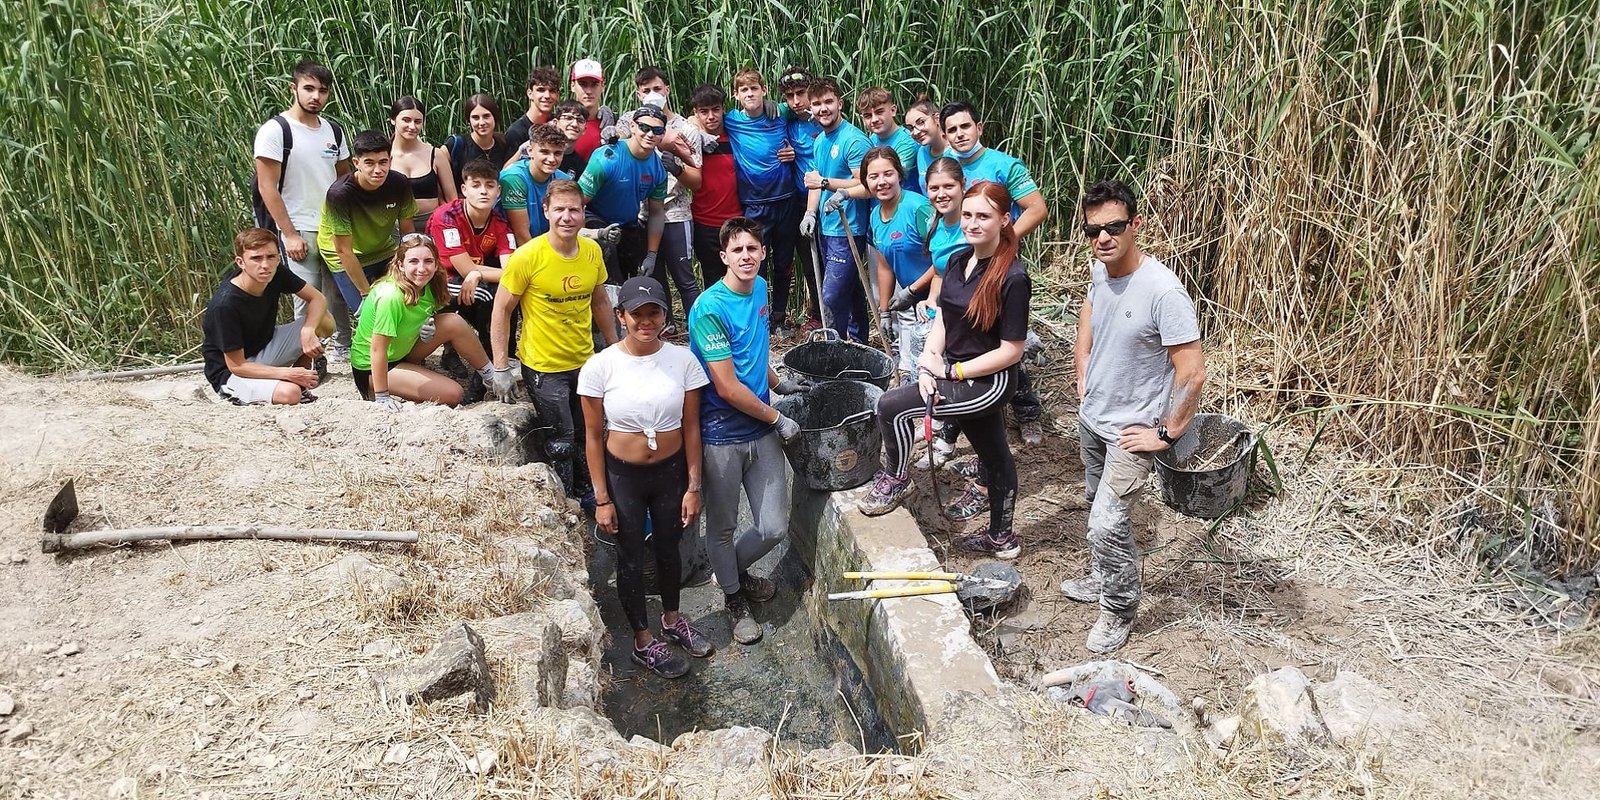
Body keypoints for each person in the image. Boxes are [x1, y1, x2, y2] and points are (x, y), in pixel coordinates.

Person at [1060, 180, 1205, 654]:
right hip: (1093, 418)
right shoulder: (1100, 271)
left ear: (1135, 225)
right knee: (1092, 501)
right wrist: (1082, 365)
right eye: (1093, 230)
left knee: (1107, 522)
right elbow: (1091, 311)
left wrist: (1166, 433)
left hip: (1131, 432)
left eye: (1114, 228)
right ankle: (1104, 576)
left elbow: (1192, 373)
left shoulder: (1163, 291)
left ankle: (1118, 608)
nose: (1103, 238)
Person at [859, 182, 1031, 567]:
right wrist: (927, 361)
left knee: (891, 407)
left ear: (1005, 220)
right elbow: (944, 318)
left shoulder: (1013, 277)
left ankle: (897, 480)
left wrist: (950, 371)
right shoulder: (957, 261)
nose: (972, 223)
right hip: (950, 368)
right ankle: (1002, 538)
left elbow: (1011, 350)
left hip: (989, 381)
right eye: (968, 214)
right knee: (993, 452)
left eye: (983, 216)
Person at [579, 276, 714, 678]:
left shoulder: (682, 361)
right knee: (631, 556)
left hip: (670, 473)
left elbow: (692, 428)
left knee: (671, 548)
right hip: (625, 477)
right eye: (636, 313)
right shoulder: (601, 367)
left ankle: (672, 619)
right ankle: (642, 639)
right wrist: (602, 498)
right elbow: (591, 436)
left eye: (654, 312)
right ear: (621, 317)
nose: (645, 321)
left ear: (664, 316)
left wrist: (694, 486)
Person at [687, 217, 808, 646]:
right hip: (722, 435)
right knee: (720, 527)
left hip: (760, 428)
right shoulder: (709, 309)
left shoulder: (758, 289)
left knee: (773, 526)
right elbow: (726, 385)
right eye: (737, 250)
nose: (746, 257)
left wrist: (779, 383)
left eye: (753, 249)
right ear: (723, 257)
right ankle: (735, 599)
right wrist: (777, 418)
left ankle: (729, 573)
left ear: (762, 253)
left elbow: (755, 348)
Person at [488, 180, 618, 496]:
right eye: (559, 209)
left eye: (574, 209)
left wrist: (616, 347)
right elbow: (501, 310)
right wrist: (502, 368)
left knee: (590, 432)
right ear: (546, 211)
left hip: (584, 361)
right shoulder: (527, 257)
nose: (567, 217)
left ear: (583, 213)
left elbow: (600, 300)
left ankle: (591, 490)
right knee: (561, 439)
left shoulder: (591, 251)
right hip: (544, 367)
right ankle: (567, 498)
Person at [940, 100, 1049, 444]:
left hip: (998, 266)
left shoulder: (1004, 165)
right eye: (952, 130)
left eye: (965, 126)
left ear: (979, 127)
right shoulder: (945, 167)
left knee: (1004, 343)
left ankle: (1027, 412)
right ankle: (953, 423)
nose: (959, 134)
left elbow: (1037, 208)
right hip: (961, 265)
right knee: (960, 341)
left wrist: (1004, 240)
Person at [251, 60, 351, 360]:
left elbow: (343, 179)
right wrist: (290, 234)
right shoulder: (276, 130)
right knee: (308, 297)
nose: (315, 96)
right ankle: (310, 358)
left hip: (333, 227)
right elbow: (267, 187)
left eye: (322, 91)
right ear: (293, 89)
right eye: (308, 89)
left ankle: (344, 348)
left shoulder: (334, 130)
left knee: (338, 294)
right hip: (299, 227)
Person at [351, 233, 499, 408]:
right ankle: (381, 388)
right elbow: (377, 350)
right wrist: (382, 395)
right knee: (454, 394)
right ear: (400, 265)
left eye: (428, 261)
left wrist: (426, 326)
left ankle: (492, 377)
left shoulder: (429, 285)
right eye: (413, 261)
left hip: (403, 350)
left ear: (436, 264)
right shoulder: (391, 296)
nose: (421, 268)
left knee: (453, 321)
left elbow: (426, 314)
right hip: (374, 366)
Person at [614, 68, 710, 320]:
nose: (652, 95)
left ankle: (697, 327)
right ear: (638, 94)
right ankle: (665, 327)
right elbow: (615, 145)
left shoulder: (685, 128)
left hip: (676, 212)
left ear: (667, 89)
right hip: (641, 214)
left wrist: (676, 166)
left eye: (657, 89)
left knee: (684, 277)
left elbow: (697, 180)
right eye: (646, 91)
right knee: (651, 275)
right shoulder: (628, 121)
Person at [202, 228, 327, 405]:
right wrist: (287, 374)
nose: (265, 265)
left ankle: (299, 377)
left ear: (278, 258)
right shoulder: (225, 305)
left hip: (264, 347)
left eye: (271, 257)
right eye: (256, 258)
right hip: (232, 371)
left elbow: (318, 298)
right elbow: (236, 366)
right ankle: (292, 381)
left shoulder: (275, 272)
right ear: (240, 262)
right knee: (291, 394)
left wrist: (308, 331)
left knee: (324, 320)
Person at [427, 158, 516, 397]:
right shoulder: (445, 217)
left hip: (472, 280)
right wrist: (475, 272)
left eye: (489, 185)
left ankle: (498, 364)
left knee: (507, 292)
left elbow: (512, 270)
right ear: (464, 190)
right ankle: (488, 372)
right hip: (434, 282)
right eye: (476, 185)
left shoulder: (500, 223)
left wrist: (477, 273)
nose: (484, 191)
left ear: (498, 191)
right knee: (489, 294)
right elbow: (464, 268)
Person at [721, 69, 797, 332]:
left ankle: (778, 318)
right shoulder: (731, 120)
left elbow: (803, 107)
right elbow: (695, 119)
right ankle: (758, 318)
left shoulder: (780, 114)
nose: (750, 94)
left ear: (764, 91)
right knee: (755, 262)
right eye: (744, 90)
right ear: (736, 95)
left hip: (786, 199)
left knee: (784, 263)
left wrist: (794, 152)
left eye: (754, 89)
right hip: (755, 204)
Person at [799, 77, 872, 343]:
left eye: (828, 102)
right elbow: (815, 182)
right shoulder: (819, 141)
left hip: (849, 228)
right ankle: (859, 343)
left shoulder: (853, 140)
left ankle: (836, 346)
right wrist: (810, 213)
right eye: (816, 104)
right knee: (850, 290)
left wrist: (829, 184)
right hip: (826, 228)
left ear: (839, 103)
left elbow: (866, 184)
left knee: (831, 295)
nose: (823, 109)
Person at [855, 147, 934, 383]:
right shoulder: (875, 216)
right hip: (914, 299)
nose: (881, 182)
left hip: (938, 294)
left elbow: (946, 260)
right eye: (873, 177)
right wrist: (884, 311)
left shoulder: (918, 209)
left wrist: (913, 290)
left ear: (899, 174)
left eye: (887, 174)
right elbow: (885, 266)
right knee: (911, 363)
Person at [317, 130, 416, 315]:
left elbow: (407, 232)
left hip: (383, 249)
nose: (377, 170)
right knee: (368, 313)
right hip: (344, 255)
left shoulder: (399, 183)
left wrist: (410, 270)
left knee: (405, 303)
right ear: (356, 163)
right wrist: (366, 293)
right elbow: (343, 250)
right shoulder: (340, 194)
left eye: (383, 162)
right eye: (369, 163)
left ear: (390, 161)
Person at [578, 105, 668, 284]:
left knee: (630, 275)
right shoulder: (607, 158)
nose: (650, 134)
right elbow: (576, 202)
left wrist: (651, 254)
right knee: (609, 266)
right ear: (632, 127)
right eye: (644, 128)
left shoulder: (659, 170)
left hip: (627, 224)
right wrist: (591, 232)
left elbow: (657, 212)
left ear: (662, 134)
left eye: (657, 130)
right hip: (595, 216)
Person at [778, 66, 824, 334]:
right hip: (798, 201)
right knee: (808, 261)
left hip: (828, 201)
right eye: (789, 96)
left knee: (831, 260)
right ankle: (816, 314)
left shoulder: (824, 118)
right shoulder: (788, 119)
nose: (796, 102)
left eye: (801, 93)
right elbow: (768, 110)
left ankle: (834, 315)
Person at [686, 83, 744, 289]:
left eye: (715, 109)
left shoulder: (736, 134)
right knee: (712, 280)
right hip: (704, 223)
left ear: (723, 109)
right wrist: (695, 130)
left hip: (736, 220)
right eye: (704, 111)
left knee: (739, 277)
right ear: (696, 113)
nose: (711, 116)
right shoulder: (690, 137)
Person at [389, 96, 457, 233]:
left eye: (418, 121)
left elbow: (452, 201)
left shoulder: (436, 155)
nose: (412, 126)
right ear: (393, 120)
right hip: (394, 227)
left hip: (434, 225)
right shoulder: (383, 156)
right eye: (406, 120)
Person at [499, 124, 574, 244]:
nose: (551, 159)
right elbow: (521, 234)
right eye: (545, 152)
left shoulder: (564, 180)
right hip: (510, 247)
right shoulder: (514, 178)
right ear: (530, 151)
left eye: (557, 153)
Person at [857, 88, 921, 195]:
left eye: (879, 112)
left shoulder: (907, 142)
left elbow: (888, 182)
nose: (874, 120)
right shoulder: (871, 140)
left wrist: (845, 193)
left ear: (893, 110)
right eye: (868, 116)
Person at [444, 94, 513, 189]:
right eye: (475, 118)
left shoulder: (504, 144)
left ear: (494, 117)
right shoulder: (456, 144)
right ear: (469, 120)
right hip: (463, 202)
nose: (482, 123)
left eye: (486, 116)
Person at [505, 66, 562, 154]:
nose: (547, 96)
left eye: (552, 91)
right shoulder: (516, 132)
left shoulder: (558, 124)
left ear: (557, 95)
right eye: (541, 90)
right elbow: (507, 167)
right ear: (530, 93)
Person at [569, 59, 615, 165]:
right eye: (583, 84)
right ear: (572, 86)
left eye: (594, 84)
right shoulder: (560, 125)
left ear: (602, 86)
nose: (589, 91)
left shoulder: (612, 125)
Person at [904, 96, 947, 184]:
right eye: (911, 128)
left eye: (920, 122)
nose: (915, 132)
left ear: (937, 118)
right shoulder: (922, 153)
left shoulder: (957, 151)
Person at [552, 100, 591, 175]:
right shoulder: (541, 153)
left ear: (584, 130)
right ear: (555, 123)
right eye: (568, 118)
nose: (574, 124)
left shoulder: (581, 167)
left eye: (580, 120)